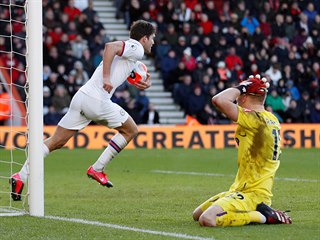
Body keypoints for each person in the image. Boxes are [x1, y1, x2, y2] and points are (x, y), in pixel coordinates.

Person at [10, 20, 156, 201]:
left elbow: (126, 69)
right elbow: (110, 47)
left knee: (55, 141)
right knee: (131, 130)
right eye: (152, 38)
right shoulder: (137, 48)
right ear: (144, 38)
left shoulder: (132, 54)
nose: (153, 42)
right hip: (97, 100)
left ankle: (20, 176)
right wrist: (106, 78)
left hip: (82, 97)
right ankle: (97, 168)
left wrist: (140, 83)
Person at [193, 74, 292, 227]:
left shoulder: (254, 119)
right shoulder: (271, 118)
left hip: (254, 194)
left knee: (207, 219)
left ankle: (263, 216)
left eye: (240, 96)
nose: (236, 98)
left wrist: (241, 87)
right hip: (240, 188)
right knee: (196, 214)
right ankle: (258, 211)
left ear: (244, 98)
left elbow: (218, 100)